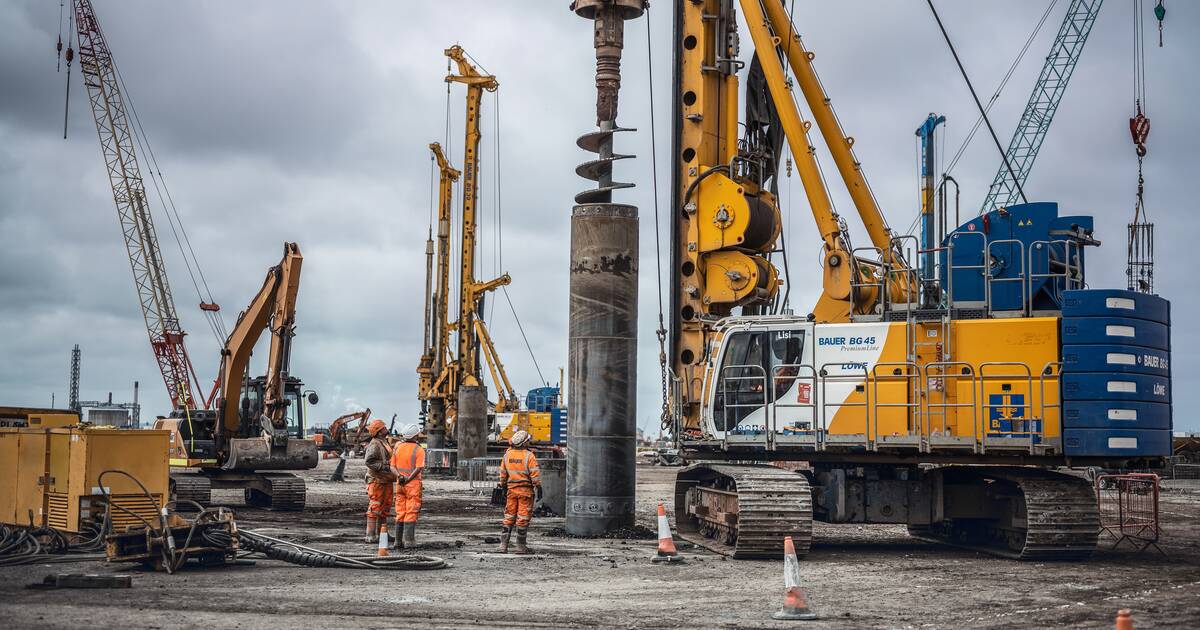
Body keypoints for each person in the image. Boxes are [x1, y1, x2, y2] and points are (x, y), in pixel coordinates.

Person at [497, 430, 541, 554]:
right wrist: (539, 487)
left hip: (511, 491)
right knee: (522, 518)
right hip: (525, 492)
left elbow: (503, 474)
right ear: (524, 442)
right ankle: (520, 546)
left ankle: (503, 546)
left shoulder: (507, 455)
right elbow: (535, 474)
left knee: (509, 517)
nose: (529, 442)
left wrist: (503, 486)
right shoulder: (529, 455)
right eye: (528, 440)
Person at [390, 423, 426, 549]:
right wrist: (408, 479)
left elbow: (392, 467)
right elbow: (418, 468)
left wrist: (399, 477)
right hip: (412, 484)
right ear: (416, 436)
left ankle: (398, 542)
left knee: (400, 511)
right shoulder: (418, 449)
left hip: (400, 484)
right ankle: (409, 541)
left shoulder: (397, 447)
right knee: (411, 511)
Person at [362, 419, 395, 543]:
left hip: (386, 480)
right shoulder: (375, 444)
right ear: (379, 431)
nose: (386, 428)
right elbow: (369, 461)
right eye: (383, 427)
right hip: (376, 481)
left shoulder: (383, 442)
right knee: (375, 506)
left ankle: (383, 535)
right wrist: (384, 466)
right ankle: (370, 535)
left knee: (385, 508)